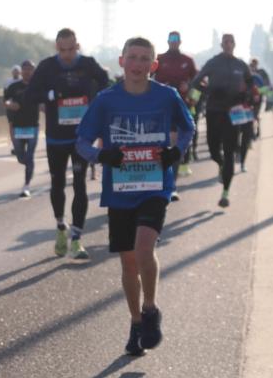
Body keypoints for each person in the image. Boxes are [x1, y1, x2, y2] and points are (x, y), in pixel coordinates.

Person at [75, 37, 195, 356]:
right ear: (121, 62)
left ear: (153, 65)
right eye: (133, 58)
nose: (138, 64)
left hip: (155, 185)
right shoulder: (105, 100)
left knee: (144, 248)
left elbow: (188, 127)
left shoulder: (167, 96)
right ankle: (136, 321)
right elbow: (83, 141)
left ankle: (151, 308)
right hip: (121, 190)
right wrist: (102, 157)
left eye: (145, 59)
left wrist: (176, 153)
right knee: (128, 263)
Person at [24, 28, 109, 260]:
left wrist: (94, 101)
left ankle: (77, 238)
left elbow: (107, 85)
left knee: (80, 183)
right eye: (63, 50)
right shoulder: (47, 66)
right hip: (56, 137)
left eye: (71, 49)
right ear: (56, 48)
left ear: (77, 46)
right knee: (57, 183)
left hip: (81, 136)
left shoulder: (89, 64)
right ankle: (61, 226)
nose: (68, 54)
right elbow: (30, 95)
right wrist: (51, 96)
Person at [190, 33, 254, 208]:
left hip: (233, 113)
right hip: (214, 110)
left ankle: (225, 193)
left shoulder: (240, 65)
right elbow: (196, 82)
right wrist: (209, 90)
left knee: (230, 151)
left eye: (230, 41)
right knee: (213, 149)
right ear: (221, 44)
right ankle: (219, 164)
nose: (227, 44)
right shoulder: (213, 62)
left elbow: (251, 85)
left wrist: (245, 93)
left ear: (234, 44)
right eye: (225, 42)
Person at [152, 31, 198, 200]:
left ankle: (172, 186)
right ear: (167, 41)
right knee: (158, 147)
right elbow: (145, 79)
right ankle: (156, 182)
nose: (173, 42)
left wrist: (192, 96)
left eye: (176, 39)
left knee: (176, 147)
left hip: (180, 109)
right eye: (171, 39)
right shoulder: (159, 59)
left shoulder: (188, 61)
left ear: (180, 42)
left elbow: (199, 84)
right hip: (159, 109)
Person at [4, 59, 39, 197]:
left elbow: (44, 101)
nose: (27, 71)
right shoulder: (14, 87)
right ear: (21, 71)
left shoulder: (37, 86)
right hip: (18, 126)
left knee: (29, 157)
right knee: (20, 156)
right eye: (25, 69)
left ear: (34, 71)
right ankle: (28, 166)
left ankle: (26, 185)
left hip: (32, 126)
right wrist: (9, 104)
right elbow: (5, 100)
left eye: (30, 69)